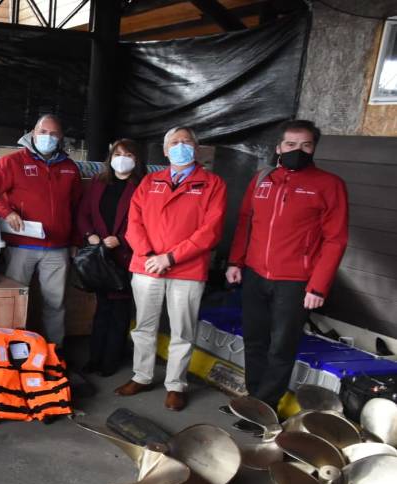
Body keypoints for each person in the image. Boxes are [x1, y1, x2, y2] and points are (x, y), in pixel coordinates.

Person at [226, 119, 348, 409]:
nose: (298, 150)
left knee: (281, 346)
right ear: (279, 147)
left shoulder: (329, 185)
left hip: (296, 281)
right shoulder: (261, 179)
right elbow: (245, 223)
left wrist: (317, 287)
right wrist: (235, 262)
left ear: (314, 147)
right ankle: (253, 399)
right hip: (255, 274)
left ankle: (265, 407)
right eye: (291, 144)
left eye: (306, 145)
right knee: (255, 340)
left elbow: (336, 240)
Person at [115, 126, 226, 411]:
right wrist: (150, 254)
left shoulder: (212, 184)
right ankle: (141, 375)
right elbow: (133, 222)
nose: (180, 146)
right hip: (147, 265)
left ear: (196, 148)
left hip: (186, 269)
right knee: (144, 327)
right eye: (174, 143)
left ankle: (176, 385)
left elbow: (210, 231)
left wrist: (170, 258)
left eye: (186, 141)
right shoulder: (151, 181)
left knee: (182, 330)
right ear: (165, 151)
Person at [0, 115, 82, 351]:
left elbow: (77, 208)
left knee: (56, 303)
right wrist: (6, 212)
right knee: (16, 301)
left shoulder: (70, 168)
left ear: (61, 138)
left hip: (57, 249)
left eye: (53, 134)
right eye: (43, 132)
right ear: (33, 132)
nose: (48, 138)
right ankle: (12, 350)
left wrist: (74, 241)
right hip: (21, 246)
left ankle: (54, 353)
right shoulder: (13, 162)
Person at [75, 139, 145, 377]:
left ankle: (111, 361)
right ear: (110, 157)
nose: (122, 158)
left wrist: (123, 240)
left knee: (120, 310)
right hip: (100, 256)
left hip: (125, 255)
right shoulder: (98, 182)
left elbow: (146, 221)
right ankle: (95, 357)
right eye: (117, 153)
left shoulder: (141, 186)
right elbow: (84, 213)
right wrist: (90, 235)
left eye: (128, 154)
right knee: (102, 307)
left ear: (136, 160)